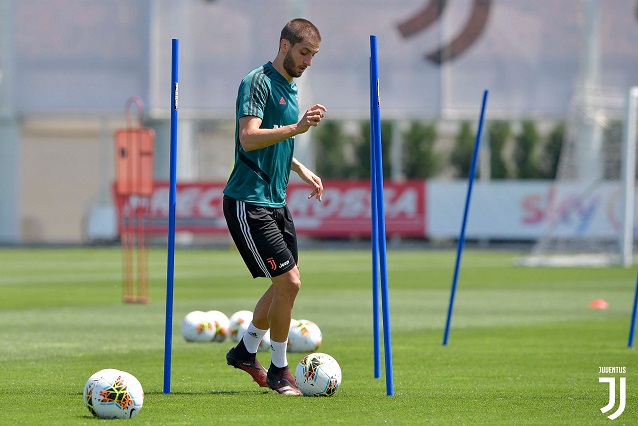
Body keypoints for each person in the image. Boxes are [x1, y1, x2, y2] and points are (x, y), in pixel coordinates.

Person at [222, 18, 326, 396]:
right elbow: (249, 138)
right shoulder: (257, 82)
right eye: (304, 53)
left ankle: (246, 351)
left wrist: (299, 167)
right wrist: (297, 130)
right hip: (248, 202)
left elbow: (278, 141)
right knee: (290, 283)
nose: (308, 62)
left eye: (313, 56)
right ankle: (280, 369)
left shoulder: (291, 87)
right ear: (284, 46)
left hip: (276, 201)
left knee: (283, 286)